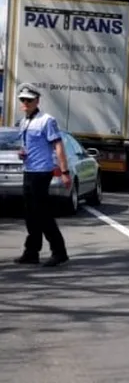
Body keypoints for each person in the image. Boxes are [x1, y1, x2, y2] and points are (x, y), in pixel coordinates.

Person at [13, 84, 71, 267]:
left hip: (42, 172)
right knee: (30, 214)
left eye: (29, 100)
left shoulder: (47, 120)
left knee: (43, 213)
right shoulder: (24, 122)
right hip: (29, 170)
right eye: (23, 100)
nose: (25, 103)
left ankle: (59, 252)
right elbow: (27, 146)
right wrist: (21, 153)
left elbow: (58, 145)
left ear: (37, 101)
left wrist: (64, 171)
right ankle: (31, 252)